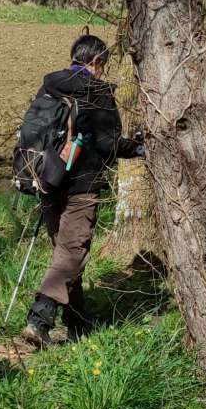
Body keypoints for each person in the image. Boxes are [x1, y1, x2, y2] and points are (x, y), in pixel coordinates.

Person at [21, 34, 142, 349]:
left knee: (66, 253)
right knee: (72, 253)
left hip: (48, 180)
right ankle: (39, 318)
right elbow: (108, 144)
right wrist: (138, 148)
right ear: (98, 62)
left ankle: (77, 321)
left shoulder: (51, 86)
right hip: (81, 186)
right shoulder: (97, 91)